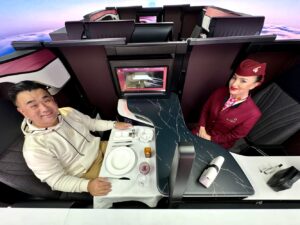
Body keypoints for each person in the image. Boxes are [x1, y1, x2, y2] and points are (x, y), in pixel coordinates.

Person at [8, 80, 132, 196]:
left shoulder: (68, 111)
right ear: (22, 111)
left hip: (102, 147)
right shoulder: (34, 148)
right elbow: (56, 181)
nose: (44, 109)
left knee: (141, 152)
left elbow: (92, 123)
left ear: (53, 100)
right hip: (88, 173)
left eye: (46, 100)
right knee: (131, 186)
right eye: (33, 105)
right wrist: (87, 186)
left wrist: (114, 124)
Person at [195, 59, 267, 149]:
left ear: (254, 85)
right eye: (234, 77)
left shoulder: (253, 114)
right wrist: (201, 127)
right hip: (200, 131)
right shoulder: (219, 91)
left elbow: (234, 135)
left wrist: (211, 138)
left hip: (218, 144)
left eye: (243, 81)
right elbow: (206, 109)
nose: (234, 83)